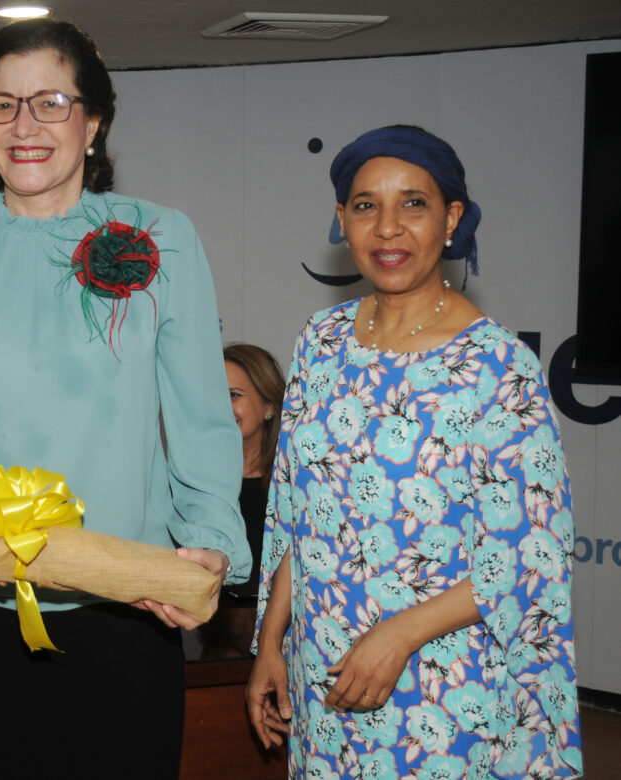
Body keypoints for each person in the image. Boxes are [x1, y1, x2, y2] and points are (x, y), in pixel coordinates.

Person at [0, 18, 248, 779]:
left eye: (50, 101)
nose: (25, 125)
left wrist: (211, 546)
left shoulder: (163, 239)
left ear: (95, 119)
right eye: (2, 105)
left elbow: (204, 421)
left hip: (123, 621)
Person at [247, 125, 582, 778]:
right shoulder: (320, 339)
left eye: (414, 203)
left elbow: (528, 552)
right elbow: (298, 514)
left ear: (452, 218)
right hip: (325, 675)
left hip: (441, 683)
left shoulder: (496, 366)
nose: (388, 227)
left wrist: (398, 635)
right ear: (342, 220)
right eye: (366, 205)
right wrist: (271, 643)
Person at [197, 343, 284, 658]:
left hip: (288, 651)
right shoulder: (192, 486)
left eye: (233, 395)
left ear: (269, 407)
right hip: (214, 659)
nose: (222, 407)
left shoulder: (294, 488)